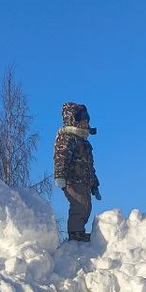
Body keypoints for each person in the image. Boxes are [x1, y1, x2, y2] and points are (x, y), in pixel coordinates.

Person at [53, 102, 101, 242]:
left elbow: (89, 167)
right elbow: (61, 157)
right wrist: (60, 175)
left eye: (87, 119)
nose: (86, 122)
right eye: (83, 119)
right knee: (78, 204)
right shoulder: (67, 137)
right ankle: (75, 232)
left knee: (86, 205)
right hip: (72, 180)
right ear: (74, 120)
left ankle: (79, 230)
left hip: (84, 181)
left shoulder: (84, 142)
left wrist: (94, 185)